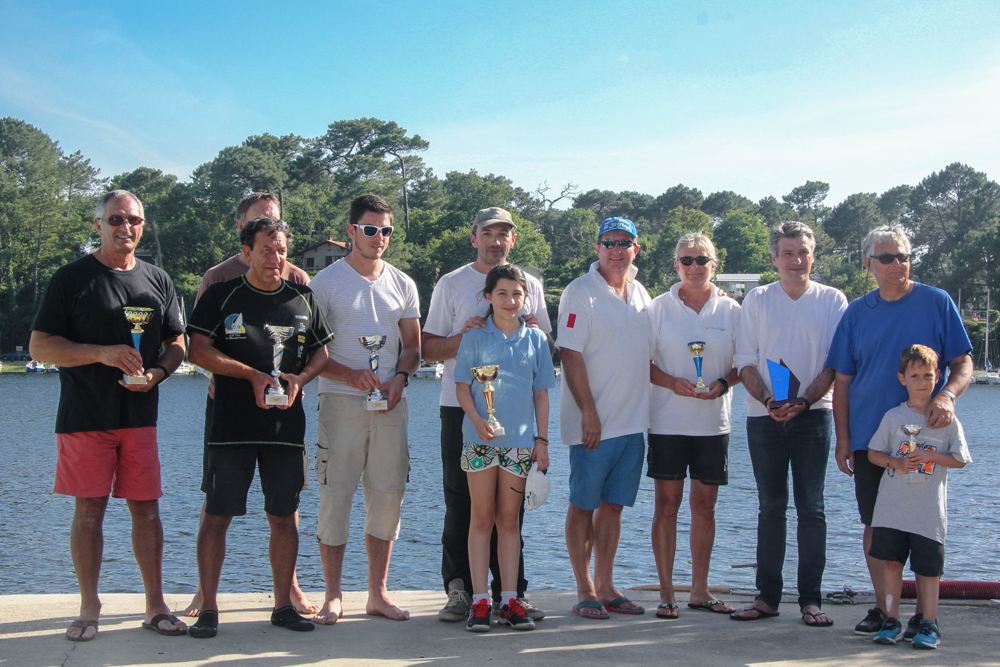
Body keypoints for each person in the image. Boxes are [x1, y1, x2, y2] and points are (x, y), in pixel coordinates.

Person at [30, 190, 187, 641]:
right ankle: (88, 607)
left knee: (147, 511)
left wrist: (158, 371)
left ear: (143, 225)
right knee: (89, 513)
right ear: (98, 224)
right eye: (116, 218)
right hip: (85, 417)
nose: (126, 227)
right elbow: (41, 346)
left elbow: (179, 341)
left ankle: (155, 605)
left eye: (134, 219)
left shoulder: (158, 280)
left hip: (140, 415)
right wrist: (102, 353)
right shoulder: (71, 278)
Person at [186, 217, 332, 638]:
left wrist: (300, 380)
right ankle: (210, 607)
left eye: (282, 249)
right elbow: (198, 350)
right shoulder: (220, 294)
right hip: (230, 427)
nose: (276, 257)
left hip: (285, 428)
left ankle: (283, 606)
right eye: (266, 249)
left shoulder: (303, 297)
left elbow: (322, 353)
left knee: (284, 518)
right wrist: (252, 376)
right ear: (247, 252)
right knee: (216, 517)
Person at [825, 225, 973, 636]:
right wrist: (844, 439)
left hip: (928, 438)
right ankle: (883, 610)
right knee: (876, 525)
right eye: (887, 258)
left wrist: (947, 397)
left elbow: (963, 363)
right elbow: (843, 381)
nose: (897, 265)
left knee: (924, 525)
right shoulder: (856, 312)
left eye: (904, 256)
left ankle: (926, 618)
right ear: (868, 263)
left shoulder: (937, 302)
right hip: (873, 441)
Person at [423, 206, 552, 623]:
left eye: (504, 233)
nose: (496, 240)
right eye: (488, 232)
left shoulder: (529, 283)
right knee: (462, 505)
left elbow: (546, 347)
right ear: (474, 236)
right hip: (461, 412)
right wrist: (466, 337)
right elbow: (428, 348)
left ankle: (511, 594)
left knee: (509, 515)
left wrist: (532, 327)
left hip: (516, 425)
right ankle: (461, 590)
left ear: (513, 239)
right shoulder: (452, 283)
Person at [309, 195, 420, 624]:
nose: (379, 238)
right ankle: (333, 596)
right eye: (370, 229)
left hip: (392, 404)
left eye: (386, 230)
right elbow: (309, 352)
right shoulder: (325, 283)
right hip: (339, 402)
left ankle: (377, 593)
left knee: (388, 497)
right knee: (335, 496)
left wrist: (400, 379)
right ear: (352, 230)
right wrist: (349, 375)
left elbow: (413, 347)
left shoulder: (403, 283)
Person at [731, 221, 847, 626]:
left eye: (803, 253)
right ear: (774, 258)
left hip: (815, 416)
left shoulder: (833, 300)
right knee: (771, 508)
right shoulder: (758, 300)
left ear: (813, 255)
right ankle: (767, 597)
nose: (796, 261)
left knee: (812, 508)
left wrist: (805, 400)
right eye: (787, 253)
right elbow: (744, 360)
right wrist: (768, 399)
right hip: (764, 419)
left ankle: (811, 600)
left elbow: (836, 364)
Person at [558, 217, 651, 619]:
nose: (616, 250)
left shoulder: (642, 293)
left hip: (633, 424)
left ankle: (608, 584)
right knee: (583, 504)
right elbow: (570, 353)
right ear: (597, 247)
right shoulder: (580, 292)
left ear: (636, 248)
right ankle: (584, 587)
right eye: (608, 242)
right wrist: (589, 413)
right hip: (593, 426)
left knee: (612, 507)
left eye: (624, 242)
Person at [455, 264, 556, 632]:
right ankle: (479, 602)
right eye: (502, 293)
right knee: (481, 519)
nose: (509, 301)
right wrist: (478, 420)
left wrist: (541, 441)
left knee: (509, 521)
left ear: (525, 298)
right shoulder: (474, 336)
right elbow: (463, 387)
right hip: (479, 443)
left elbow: (541, 393)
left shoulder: (536, 339)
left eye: (516, 294)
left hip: (519, 447)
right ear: (488, 297)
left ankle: (510, 600)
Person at [647, 233, 740, 619]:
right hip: (667, 422)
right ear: (676, 265)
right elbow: (641, 362)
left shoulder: (733, 311)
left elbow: (746, 362)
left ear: (714, 264)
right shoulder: (656, 309)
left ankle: (700, 590)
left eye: (702, 260)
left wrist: (723, 384)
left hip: (712, 424)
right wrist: (671, 383)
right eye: (687, 260)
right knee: (666, 507)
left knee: (705, 509)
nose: (694, 267)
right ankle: (667, 593)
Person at [867, 345, 971, 649]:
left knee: (928, 569)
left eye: (928, 376)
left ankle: (928, 622)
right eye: (915, 376)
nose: (922, 382)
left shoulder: (946, 419)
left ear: (938, 377)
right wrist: (897, 462)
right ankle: (892, 619)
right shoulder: (892, 417)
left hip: (928, 511)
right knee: (891, 564)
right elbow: (874, 453)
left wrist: (931, 455)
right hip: (892, 508)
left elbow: (961, 459)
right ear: (902, 379)